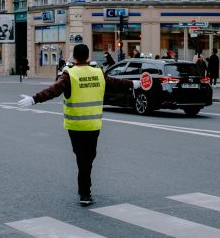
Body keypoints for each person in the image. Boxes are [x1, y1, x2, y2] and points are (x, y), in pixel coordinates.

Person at [17, 44, 140, 206]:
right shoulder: (98, 73)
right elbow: (116, 82)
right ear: (88, 56)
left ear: (74, 57)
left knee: (82, 159)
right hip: (93, 125)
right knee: (87, 159)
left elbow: (53, 90)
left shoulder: (70, 74)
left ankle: (84, 192)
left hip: (75, 126)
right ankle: (85, 192)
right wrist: (133, 84)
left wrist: (34, 99)